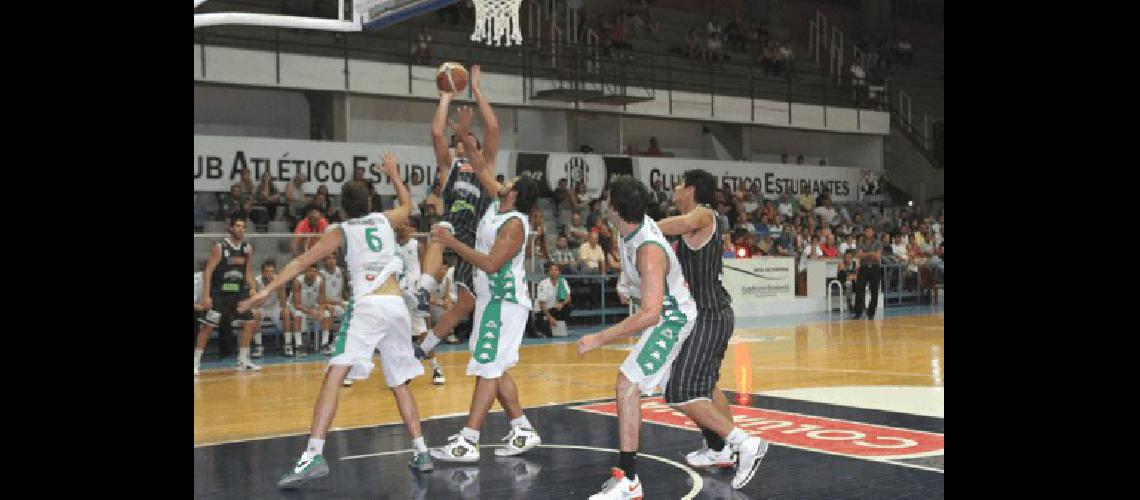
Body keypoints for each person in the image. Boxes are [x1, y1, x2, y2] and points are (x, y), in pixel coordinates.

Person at [239, 151, 436, 486]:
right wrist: (394, 173)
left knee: (334, 374)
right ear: (370, 200)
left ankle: (313, 453)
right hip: (396, 307)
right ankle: (420, 449)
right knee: (399, 381)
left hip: (369, 306)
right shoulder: (385, 219)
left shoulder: (341, 229)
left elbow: (300, 263)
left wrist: (265, 289)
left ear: (342, 207)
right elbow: (408, 205)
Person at [578, 178, 765, 498]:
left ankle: (630, 480)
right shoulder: (628, 234)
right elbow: (634, 265)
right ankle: (733, 444)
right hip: (679, 313)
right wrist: (627, 284)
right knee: (686, 389)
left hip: (676, 318)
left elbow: (651, 312)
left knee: (631, 384)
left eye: (607, 199)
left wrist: (599, 338)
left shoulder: (671, 233)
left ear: (616, 208)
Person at [653, 170, 770, 484]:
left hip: (710, 315)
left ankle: (744, 443)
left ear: (690, 190)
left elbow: (681, 225)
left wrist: (642, 230)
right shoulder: (694, 220)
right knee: (704, 386)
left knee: (679, 390)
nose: (674, 189)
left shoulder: (703, 214)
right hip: (702, 314)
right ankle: (720, 449)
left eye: (679, 185)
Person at [427, 170, 545, 463]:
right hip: (490, 301)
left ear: (515, 194)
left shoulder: (515, 224)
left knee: (487, 368)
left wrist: (451, 243)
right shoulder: (496, 206)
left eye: (510, 183)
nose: (503, 183)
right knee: (495, 367)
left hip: (503, 303)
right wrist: (467, 140)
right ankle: (521, 428)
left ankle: (469, 440)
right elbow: (482, 165)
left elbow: (492, 264)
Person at [411, 65, 499, 361]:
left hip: (476, 238)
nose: (466, 144)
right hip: (452, 226)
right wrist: (446, 96)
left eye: (470, 140)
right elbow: (437, 132)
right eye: (461, 141)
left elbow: (493, 128)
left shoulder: (485, 167)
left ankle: (424, 347)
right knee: (439, 231)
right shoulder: (450, 168)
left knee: (465, 304)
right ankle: (424, 290)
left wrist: (476, 90)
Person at [194, 218, 261, 375]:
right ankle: (196, 361)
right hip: (219, 293)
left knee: (250, 322)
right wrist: (206, 296)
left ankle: (243, 360)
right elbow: (208, 271)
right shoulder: (220, 247)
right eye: (238, 226)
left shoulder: (247, 248)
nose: (241, 229)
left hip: (238, 292)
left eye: (243, 227)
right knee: (208, 327)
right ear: (231, 228)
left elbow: (248, 271)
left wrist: (253, 289)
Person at [396, 221, 446, 385]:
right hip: (398, 296)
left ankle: (435, 367)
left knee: (423, 333)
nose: (402, 228)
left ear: (410, 228)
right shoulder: (390, 248)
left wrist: (427, 291)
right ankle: (406, 370)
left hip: (415, 294)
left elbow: (428, 269)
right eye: (399, 226)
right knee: (401, 336)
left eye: (405, 226)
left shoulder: (417, 245)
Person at [253, 260, 292, 358]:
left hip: (274, 307)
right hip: (261, 307)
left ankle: (288, 345)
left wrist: (280, 289)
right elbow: (255, 304)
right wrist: (266, 294)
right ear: (262, 272)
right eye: (267, 272)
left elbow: (283, 304)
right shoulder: (256, 282)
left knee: (286, 312)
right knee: (255, 313)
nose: (270, 275)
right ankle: (258, 346)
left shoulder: (279, 280)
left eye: (272, 272)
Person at [288, 264, 325, 356]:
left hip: (311, 306)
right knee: (298, 315)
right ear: (305, 272)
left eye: (314, 272)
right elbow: (297, 305)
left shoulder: (320, 281)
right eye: (310, 271)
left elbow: (322, 301)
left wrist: (320, 311)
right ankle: (298, 346)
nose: (312, 274)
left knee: (326, 314)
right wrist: (311, 312)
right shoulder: (297, 281)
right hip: (294, 306)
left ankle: (324, 344)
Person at [318, 254, 348, 355]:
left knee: (353, 309)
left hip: (339, 302)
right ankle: (325, 344)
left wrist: (346, 301)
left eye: (334, 258)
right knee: (328, 312)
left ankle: (339, 341)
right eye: (329, 258)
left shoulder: (341, 272)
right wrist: (338, 302)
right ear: (324, 261)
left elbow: (344, 292)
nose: (332, 261)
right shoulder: (320, 274)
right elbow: (320, 298)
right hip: (324, 303)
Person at [852, 227, 883, 319]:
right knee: (859, 290)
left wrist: (865, 254)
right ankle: (858, 313)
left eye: (870, 231)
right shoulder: (860, 243)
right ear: (865, 233)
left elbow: (877, 257)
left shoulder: (878, 243)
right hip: (863, 268)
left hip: (874, 268)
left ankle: (871, 314)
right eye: (866, 231)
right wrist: (870, 253)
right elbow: (858, 256)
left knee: (874, 291)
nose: (868, 233)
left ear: (873, 232)